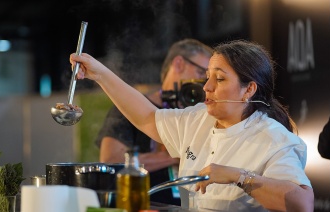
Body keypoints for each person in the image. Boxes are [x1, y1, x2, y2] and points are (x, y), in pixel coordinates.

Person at [70, 39, 314, 211]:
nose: (206, 87)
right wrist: (99, 73)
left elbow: (302, 204)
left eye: (219, 79)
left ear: (248, 89)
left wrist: (237, 176)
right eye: (207, 77)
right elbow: (147, 117)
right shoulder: (198, 119)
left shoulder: (273, 139)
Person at [95, 39, 213, 206]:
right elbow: (111, 161)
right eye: (202, 73)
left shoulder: (199, 114)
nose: (205, 84)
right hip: (143, 205)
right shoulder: (130, 109)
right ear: (179, 64)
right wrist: (175, 155)